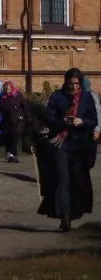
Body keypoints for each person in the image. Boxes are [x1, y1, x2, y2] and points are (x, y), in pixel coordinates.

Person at [37, 68, 98, 231]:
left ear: (81, 83)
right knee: (62, 178)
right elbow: (49, 117)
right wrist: (63, 122)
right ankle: (64, 216)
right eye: (71, 83)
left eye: (77, 83)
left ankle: (74, 212)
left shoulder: (86, 98)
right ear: (66, 82)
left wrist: (81, 121)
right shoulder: (57, 96)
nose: (74, 87)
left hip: (80, 144)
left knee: (77, 179)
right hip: (61, 143)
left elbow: (93, 120)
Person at [0, 80, 27, 162]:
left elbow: (24, 106)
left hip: (18, 120)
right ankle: (14, 155)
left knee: (15, 136)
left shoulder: (18, 95)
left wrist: (27, 116)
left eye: (8, 89)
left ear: (12, 88)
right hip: (8, 121)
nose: (7, 91)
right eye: (5, 89)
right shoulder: (3, 97)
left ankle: (11, 153)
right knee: (10, 137)